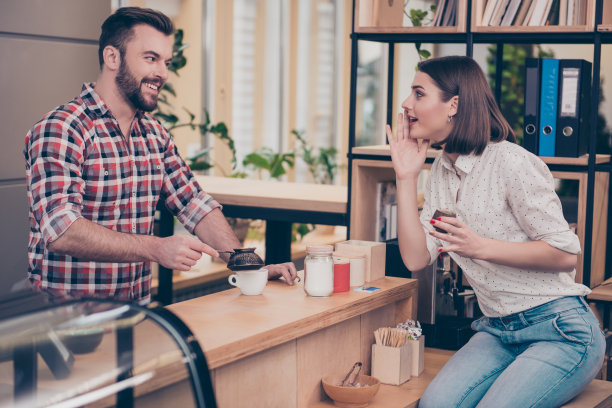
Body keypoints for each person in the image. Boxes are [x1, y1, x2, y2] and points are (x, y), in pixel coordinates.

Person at [24, 7, 297, 303]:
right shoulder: (62, 129)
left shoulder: (154, 134)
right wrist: (156, 248)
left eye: (166, 62)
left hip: (136, 316)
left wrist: (250, 268)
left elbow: (194, 203)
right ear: (112, 57)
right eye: (150, 58)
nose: (162, 73)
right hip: (66, 324)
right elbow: (62, 231)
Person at [386, 56, 605, 407]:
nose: (406, 104)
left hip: (560, 330)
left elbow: (566, 254)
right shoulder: (442, 171)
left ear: (453, 104)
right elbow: (416, 258)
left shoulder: (510, 162)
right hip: (497, 330)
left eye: (418, 93)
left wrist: (481, 247)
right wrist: (406, 176)